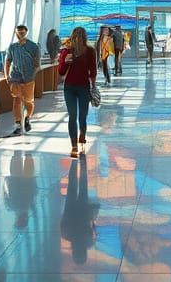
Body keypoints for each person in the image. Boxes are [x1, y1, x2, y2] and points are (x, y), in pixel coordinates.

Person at [58, 26, 97, 157]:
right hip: (69, 87)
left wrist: (93, 85)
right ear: (72, 38)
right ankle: (74, 145)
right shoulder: (66, 51)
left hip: (83, 87)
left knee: (82, 116)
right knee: (72, 115)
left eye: (81, 36)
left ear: (84, 38)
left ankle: (82, 133)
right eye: (76, 36)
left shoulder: (90, 51)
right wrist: (66, 62)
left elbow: (93, 70)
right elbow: (61, 72)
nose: (78, 38)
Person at [60, 158, 100, 265]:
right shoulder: (66, 235)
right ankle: (74, 162)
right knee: (72, 184)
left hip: (84, 211)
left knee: (83, 185)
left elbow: (94, 228)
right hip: (70, 208)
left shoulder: (89, 241)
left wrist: (91, 219)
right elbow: (62, 221)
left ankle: (83, 161)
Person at [5, 24, 40, 136]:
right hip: (15, 77)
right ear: (16, 33)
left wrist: (33, 75)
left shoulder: (34, 47)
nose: (20, 34)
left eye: (22, 32)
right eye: (18, 32)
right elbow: (8, 61)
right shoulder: (12, 47)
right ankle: (18, 124)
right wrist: (7, 76)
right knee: (17, 100)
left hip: (28, 77)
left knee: (28, 101)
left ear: (26, 32)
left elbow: (37, 64)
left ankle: (27, 118)